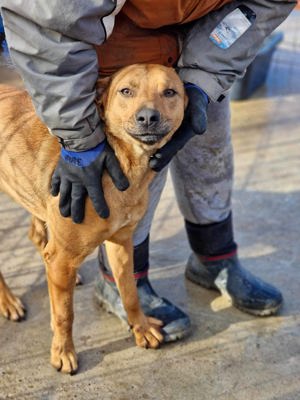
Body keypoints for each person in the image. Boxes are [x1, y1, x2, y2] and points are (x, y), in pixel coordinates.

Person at [1, 0, 296, 342]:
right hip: (106, 43)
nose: (149, 113)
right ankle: (119, 284)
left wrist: (202, 82)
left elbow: (264, 6)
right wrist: (77, 133)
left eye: (170, 96)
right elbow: (43, 25)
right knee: (118, 167)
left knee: (207, 142)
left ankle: (214, 257)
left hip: (205, 36)